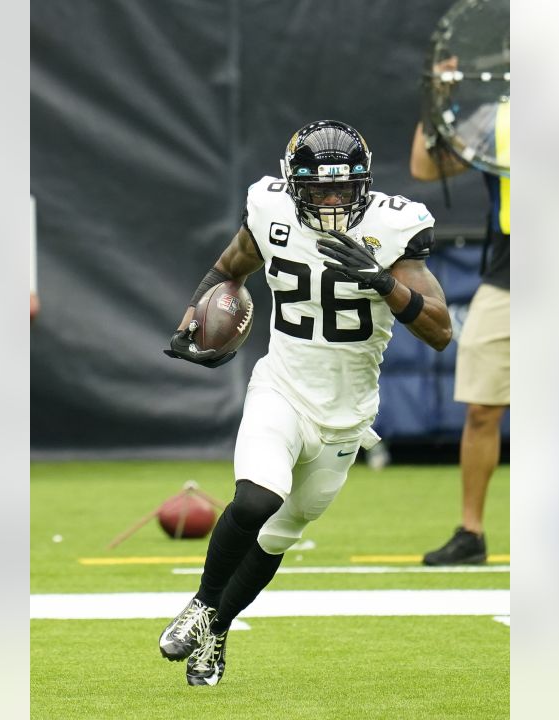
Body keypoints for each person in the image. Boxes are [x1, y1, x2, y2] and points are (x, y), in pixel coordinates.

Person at [160, 119, 454, 686]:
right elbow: (229, 267)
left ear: (363, 184)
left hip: (348, 418)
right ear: (293, 185)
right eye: (319, 189)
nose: (333, 200)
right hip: (283, 388)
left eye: (343, 188)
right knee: (254, 500)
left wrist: (384, 283)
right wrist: (195, 320)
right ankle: (200, 606)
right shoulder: (268, 210)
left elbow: (441, 331)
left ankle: (216, 632)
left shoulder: (394, 229)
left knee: (275, 539)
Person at [410, 65, 511, 566]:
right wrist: (438, 97)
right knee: (481, 407)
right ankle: (471, 532)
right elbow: (426, 168)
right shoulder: (498, 120)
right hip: (508, 275)